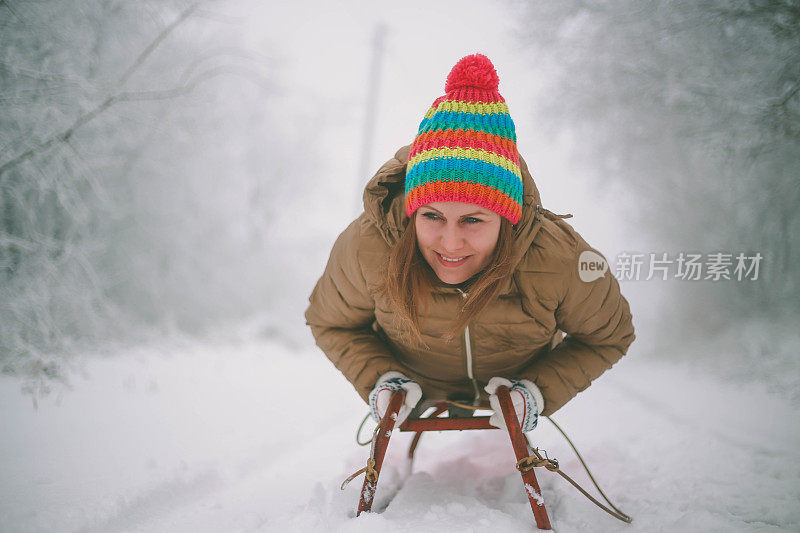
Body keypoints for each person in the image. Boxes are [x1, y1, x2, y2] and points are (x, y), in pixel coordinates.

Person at [305, 53, 635, 433]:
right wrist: (382, 377)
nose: (449, 242)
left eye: (472, 220)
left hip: (514, 377)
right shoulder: (368, 247)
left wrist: (537, 390)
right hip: (415, 378)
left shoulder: (560, 257)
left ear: (505, 219)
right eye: (431, 216)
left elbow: (609, 336)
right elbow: (331, 322)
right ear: (412, 212)